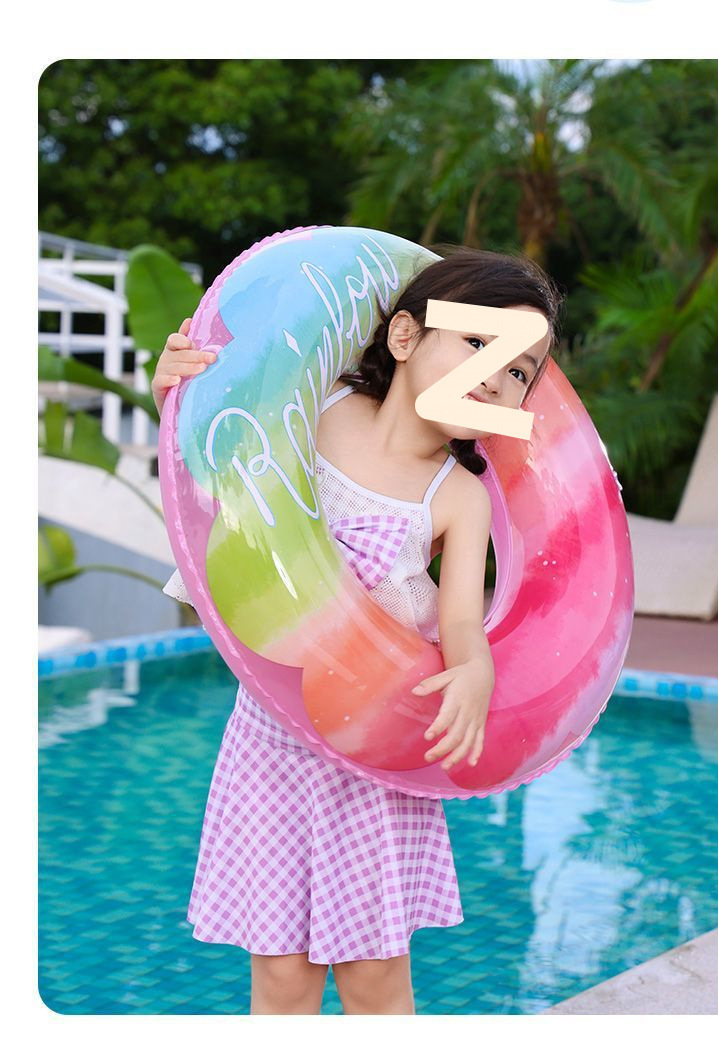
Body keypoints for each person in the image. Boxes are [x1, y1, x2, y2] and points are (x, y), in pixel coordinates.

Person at [153, 244, 564, 1015]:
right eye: (480, 343)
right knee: (282, 975)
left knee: (374, 978)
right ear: (404, 337)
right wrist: (177, 391)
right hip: (273, 742)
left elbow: (462, 621)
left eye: (519, 370)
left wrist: (474, 668)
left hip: (374, 752)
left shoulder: (458, 497)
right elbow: (217, 466)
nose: (496, 375)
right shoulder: (318, 407)